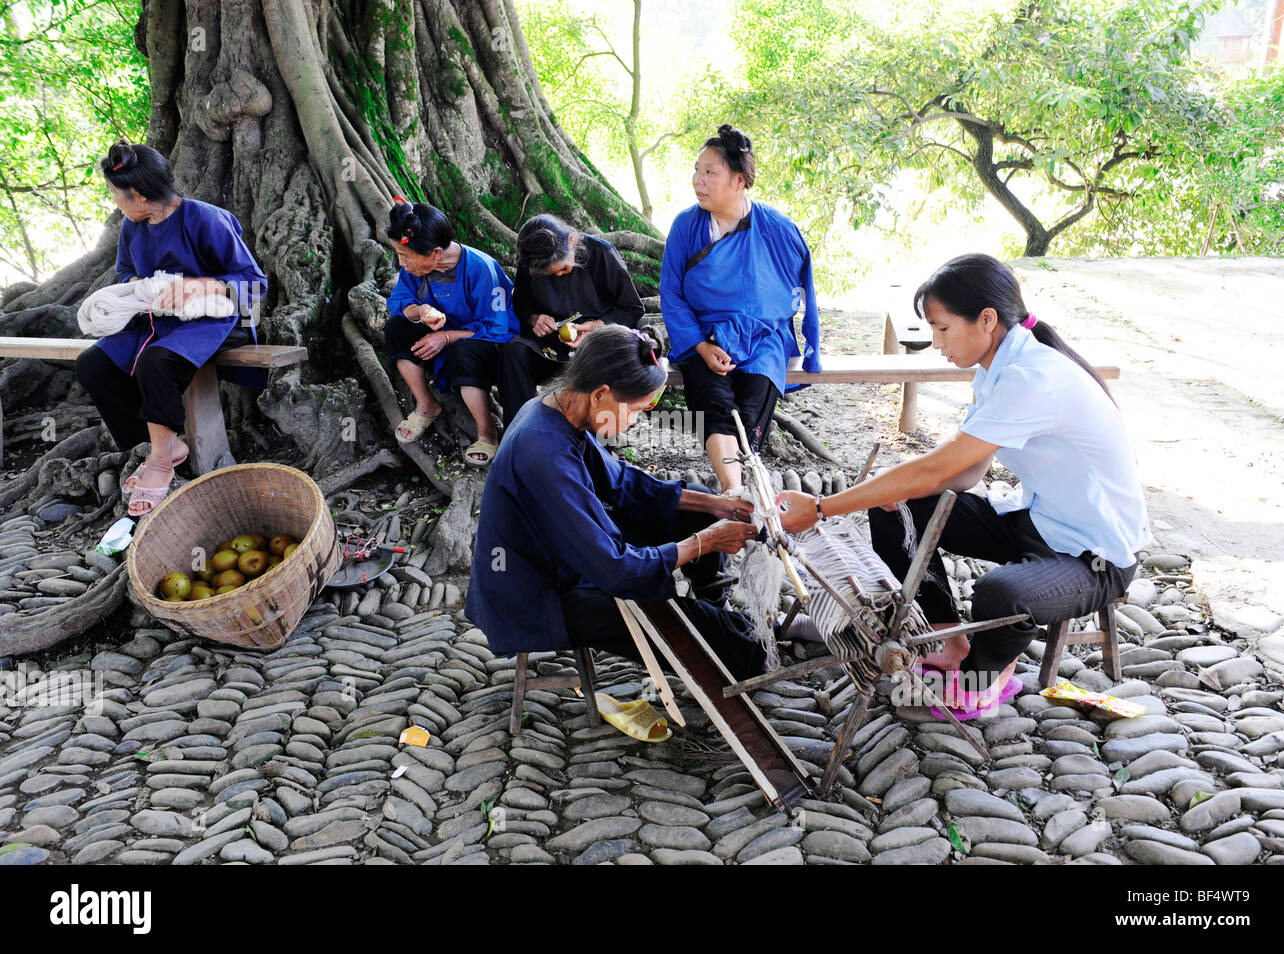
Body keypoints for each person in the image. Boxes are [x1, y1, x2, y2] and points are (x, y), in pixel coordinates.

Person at [777, 253, 1151, 719]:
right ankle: (946, 639)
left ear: (986, 320)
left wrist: (819, 508)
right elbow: (969, 472)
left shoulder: (1034, 377)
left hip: (1095, 556)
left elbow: (938, 468)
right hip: (1040, 520)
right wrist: (898, 490)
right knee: (901, 506)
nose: (936, 344)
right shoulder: (994, 369)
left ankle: (983, 676)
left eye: (943, 328)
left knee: (1000, 594)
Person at [465, 325, 769, 681]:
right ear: (602, 394)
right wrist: (707, 542)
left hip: (559, 557)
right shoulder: (542, 451)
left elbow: (622, 483)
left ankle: (716, 604)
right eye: (636, 409)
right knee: (715, 635)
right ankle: (742, 632)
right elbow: (615, 569)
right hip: (535, 594)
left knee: (690, 507)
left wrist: (714, 505)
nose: (635, 421)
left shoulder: (556, 409)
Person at [75, 139, 267, 517]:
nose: (115, 201)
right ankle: (155, 446)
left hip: (213, 320)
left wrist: (200, 285)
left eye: (116, 194)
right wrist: (144, 291)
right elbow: (127, 274)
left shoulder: (206, 219)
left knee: (155, 362)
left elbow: (254, 282)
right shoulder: (132, 228)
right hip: (155, 319)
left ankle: (162, 461)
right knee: (92, 364)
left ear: (140, 195)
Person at [659, 123, 821, 492]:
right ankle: (735, 493)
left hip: (764, 338)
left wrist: (804, 336)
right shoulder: (686, 226)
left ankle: (739, 492)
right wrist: (701, 345)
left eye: (709, 172)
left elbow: (798, 288)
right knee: (713, 402)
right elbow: (671, 293)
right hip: (704, 335)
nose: (698, 180)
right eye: (697, 171)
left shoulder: (777, 227)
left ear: (738, 180)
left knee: (752, 407)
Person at [384, 198, 518, 467]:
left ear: (435, 253)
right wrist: (419, 310)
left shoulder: (481, 268)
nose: (402, 264)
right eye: (398, 255)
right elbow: (398, 302)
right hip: (439, 341)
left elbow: (498, 329)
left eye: (406, 256)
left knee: (463, 349)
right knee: (396, 328)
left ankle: (486, 432)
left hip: (483, 347)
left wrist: (446, 337)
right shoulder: (415, 269)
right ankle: (426, 405)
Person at [498, 214, 646, 432]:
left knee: (597, 365)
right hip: (547, 346)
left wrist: (597, 326)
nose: (559, 275)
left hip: (595, 346)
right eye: (550, 274)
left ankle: (593, 444)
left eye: (564, 269)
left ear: (572, 241)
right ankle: (520, 434)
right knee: (512, 354)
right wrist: (534, 318)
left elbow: (631, 308)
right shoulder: (529, 262)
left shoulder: (601, 253)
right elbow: (521, 305)